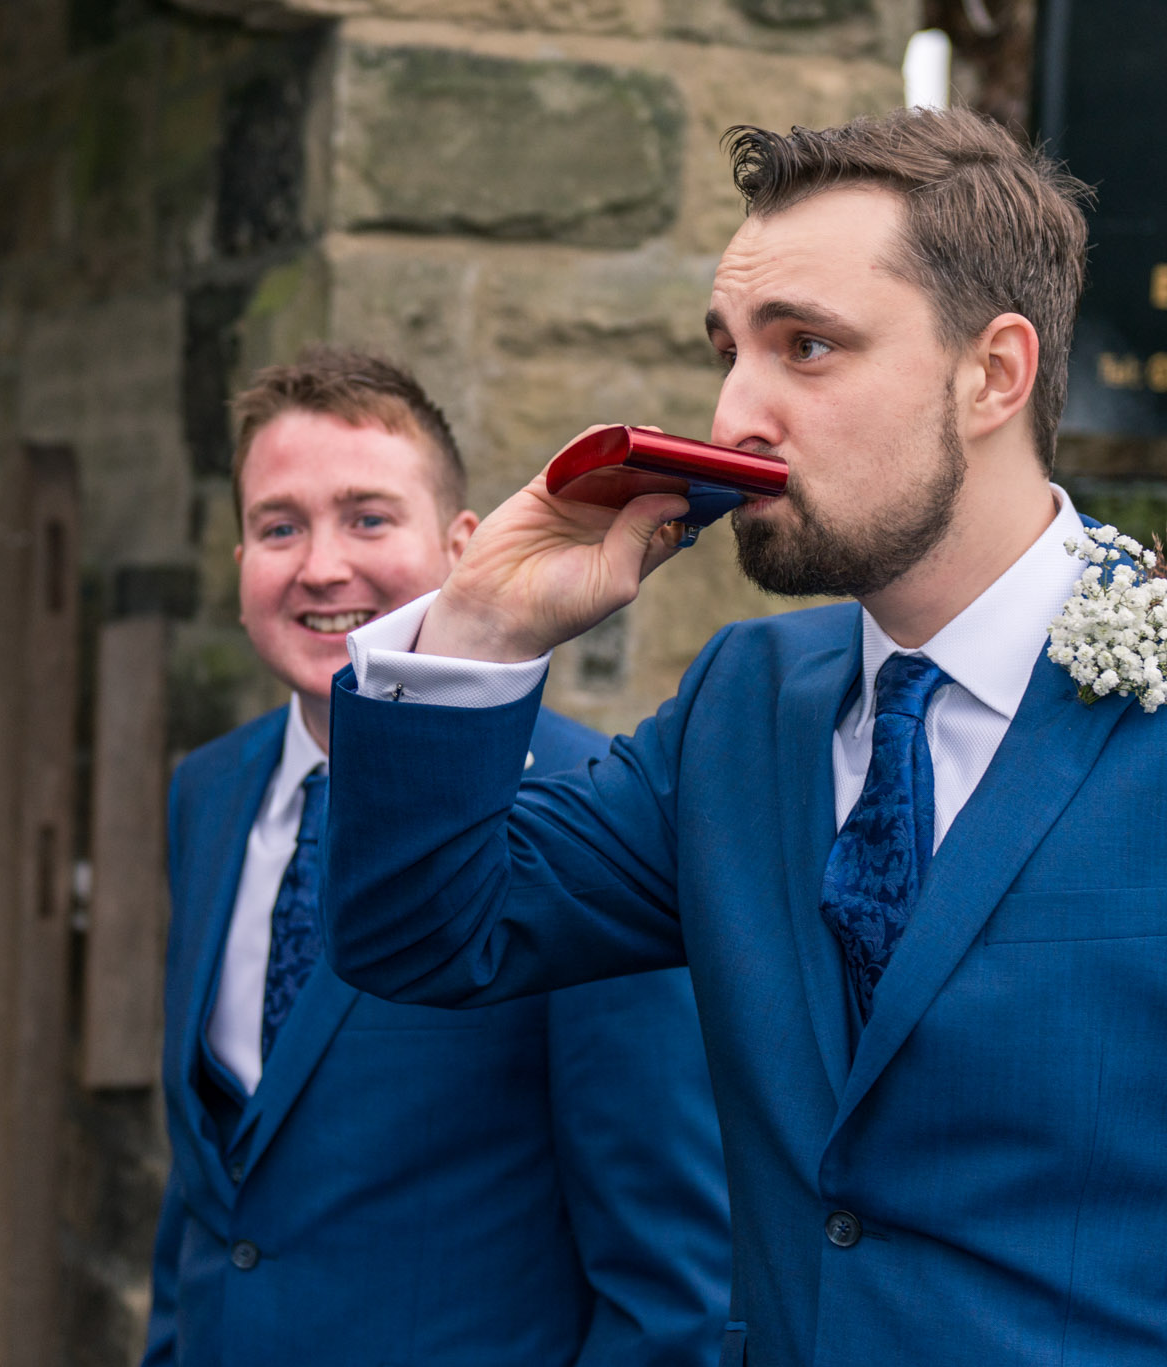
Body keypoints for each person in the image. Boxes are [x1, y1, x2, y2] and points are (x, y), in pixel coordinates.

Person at [321, 111, 1167, 1366]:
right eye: (727, 352)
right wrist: (477, 627)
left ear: (993, 373)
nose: (734, 413)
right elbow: (424, 930)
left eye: (806, 347)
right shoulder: (743, 706)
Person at [142, 347, 730, 1367]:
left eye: (368, 517)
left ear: (463, 545)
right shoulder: (209, 789)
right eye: (278, 526)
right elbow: (213, 1181)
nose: (322, 565)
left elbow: (667, 1278)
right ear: (238, 561)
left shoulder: (593, 810)